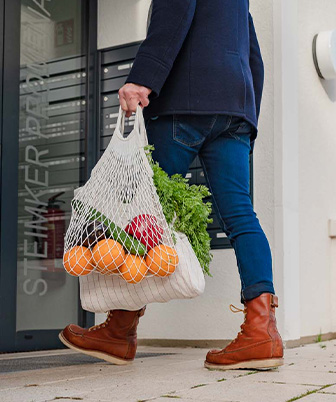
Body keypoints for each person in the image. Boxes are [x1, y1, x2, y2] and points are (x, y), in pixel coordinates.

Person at [60, 0, 284, 370]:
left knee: (140, 213)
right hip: (234, 109)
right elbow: (253, 54)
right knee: (241, 215)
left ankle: (120, 329)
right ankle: (262, 331)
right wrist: (246, 115)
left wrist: (142, 78)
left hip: (186, 100)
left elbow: (174, 12)